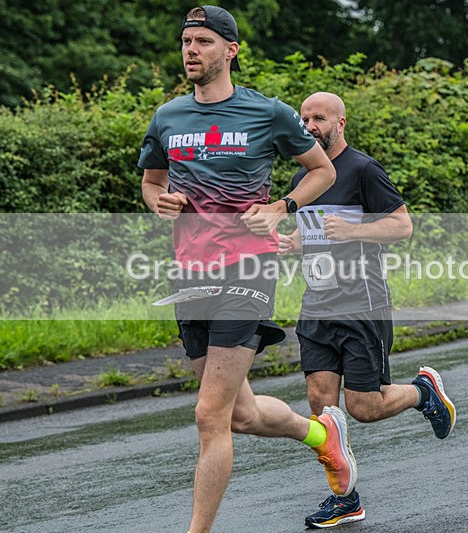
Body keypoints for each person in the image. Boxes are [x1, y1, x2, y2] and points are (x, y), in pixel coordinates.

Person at [138, 7, 357, 533]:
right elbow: (151, 182)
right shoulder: (168, 117)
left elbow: (322, 171)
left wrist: (282, 206)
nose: (191, 50)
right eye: (187, 41)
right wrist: (158, 202)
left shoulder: (268, 113)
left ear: (230, 50)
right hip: (189, 273)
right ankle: (320, 435)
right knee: (241, 413)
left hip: (247, 270)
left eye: (204, 42)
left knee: (208, 416)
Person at [279, 92, 457, 529]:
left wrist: (355, 227)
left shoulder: (362, 169)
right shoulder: (306, 176)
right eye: (304, 119)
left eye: (318, 118)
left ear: (341, 122)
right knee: (324, 412)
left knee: (363, 407)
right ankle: (345, 499)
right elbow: (319, 234)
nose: (309, 126)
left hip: (362, 306)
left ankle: (422, 391)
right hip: (316, 306)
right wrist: (296, 242)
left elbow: (402, 224)